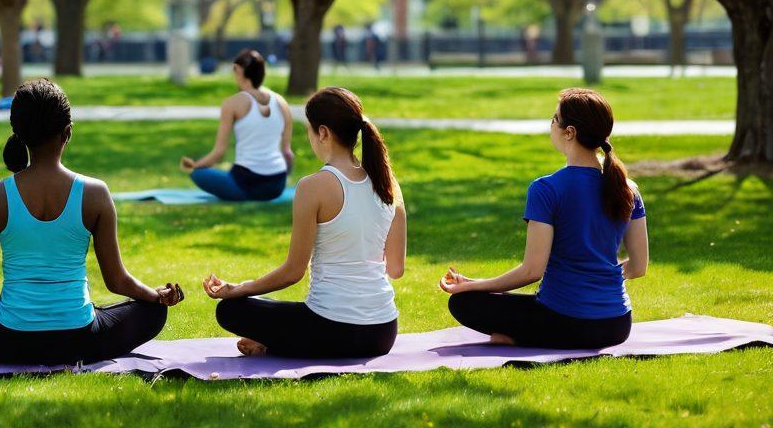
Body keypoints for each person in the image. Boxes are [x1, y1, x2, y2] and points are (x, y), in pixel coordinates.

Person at [0, 79, 184, 365]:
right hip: (80, 341)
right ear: (67, 133)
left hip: (9, 342)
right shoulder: (95, 193)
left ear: (18, 134)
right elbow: (117, 281)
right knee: (153, 312)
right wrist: (155, 296)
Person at [439, 88, 648, 350]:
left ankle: (514, 337)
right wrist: (600, 278)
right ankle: (516, 335)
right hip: (617, 325)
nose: (550, 126)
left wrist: (475, 288)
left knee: (463, 303)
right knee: (498, 300)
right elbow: (639, 267)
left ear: (569, 132)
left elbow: (532, 271)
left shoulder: (546, 189)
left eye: (553, 119)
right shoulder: (629, 188)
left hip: (566, 323)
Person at [204, 87, 406, 358]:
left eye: (309, 131)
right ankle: (274, 344)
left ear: (322, 132)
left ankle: (272, 344)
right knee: (272, 310)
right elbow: (395, 269)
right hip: (382, 333)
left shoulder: (313, 186)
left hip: (330, 330)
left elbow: (293, 272)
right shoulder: (389, 184)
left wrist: (239, 288)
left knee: (231, 309)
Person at [180, 49, 293, 201]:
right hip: (276, 185)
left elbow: (219, 152)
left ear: (239, 71)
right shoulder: (281, 102)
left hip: (246, 184)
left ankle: (239, 190)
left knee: (198, 174)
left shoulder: (232, 103)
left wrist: (195, 165)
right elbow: (287, 154)